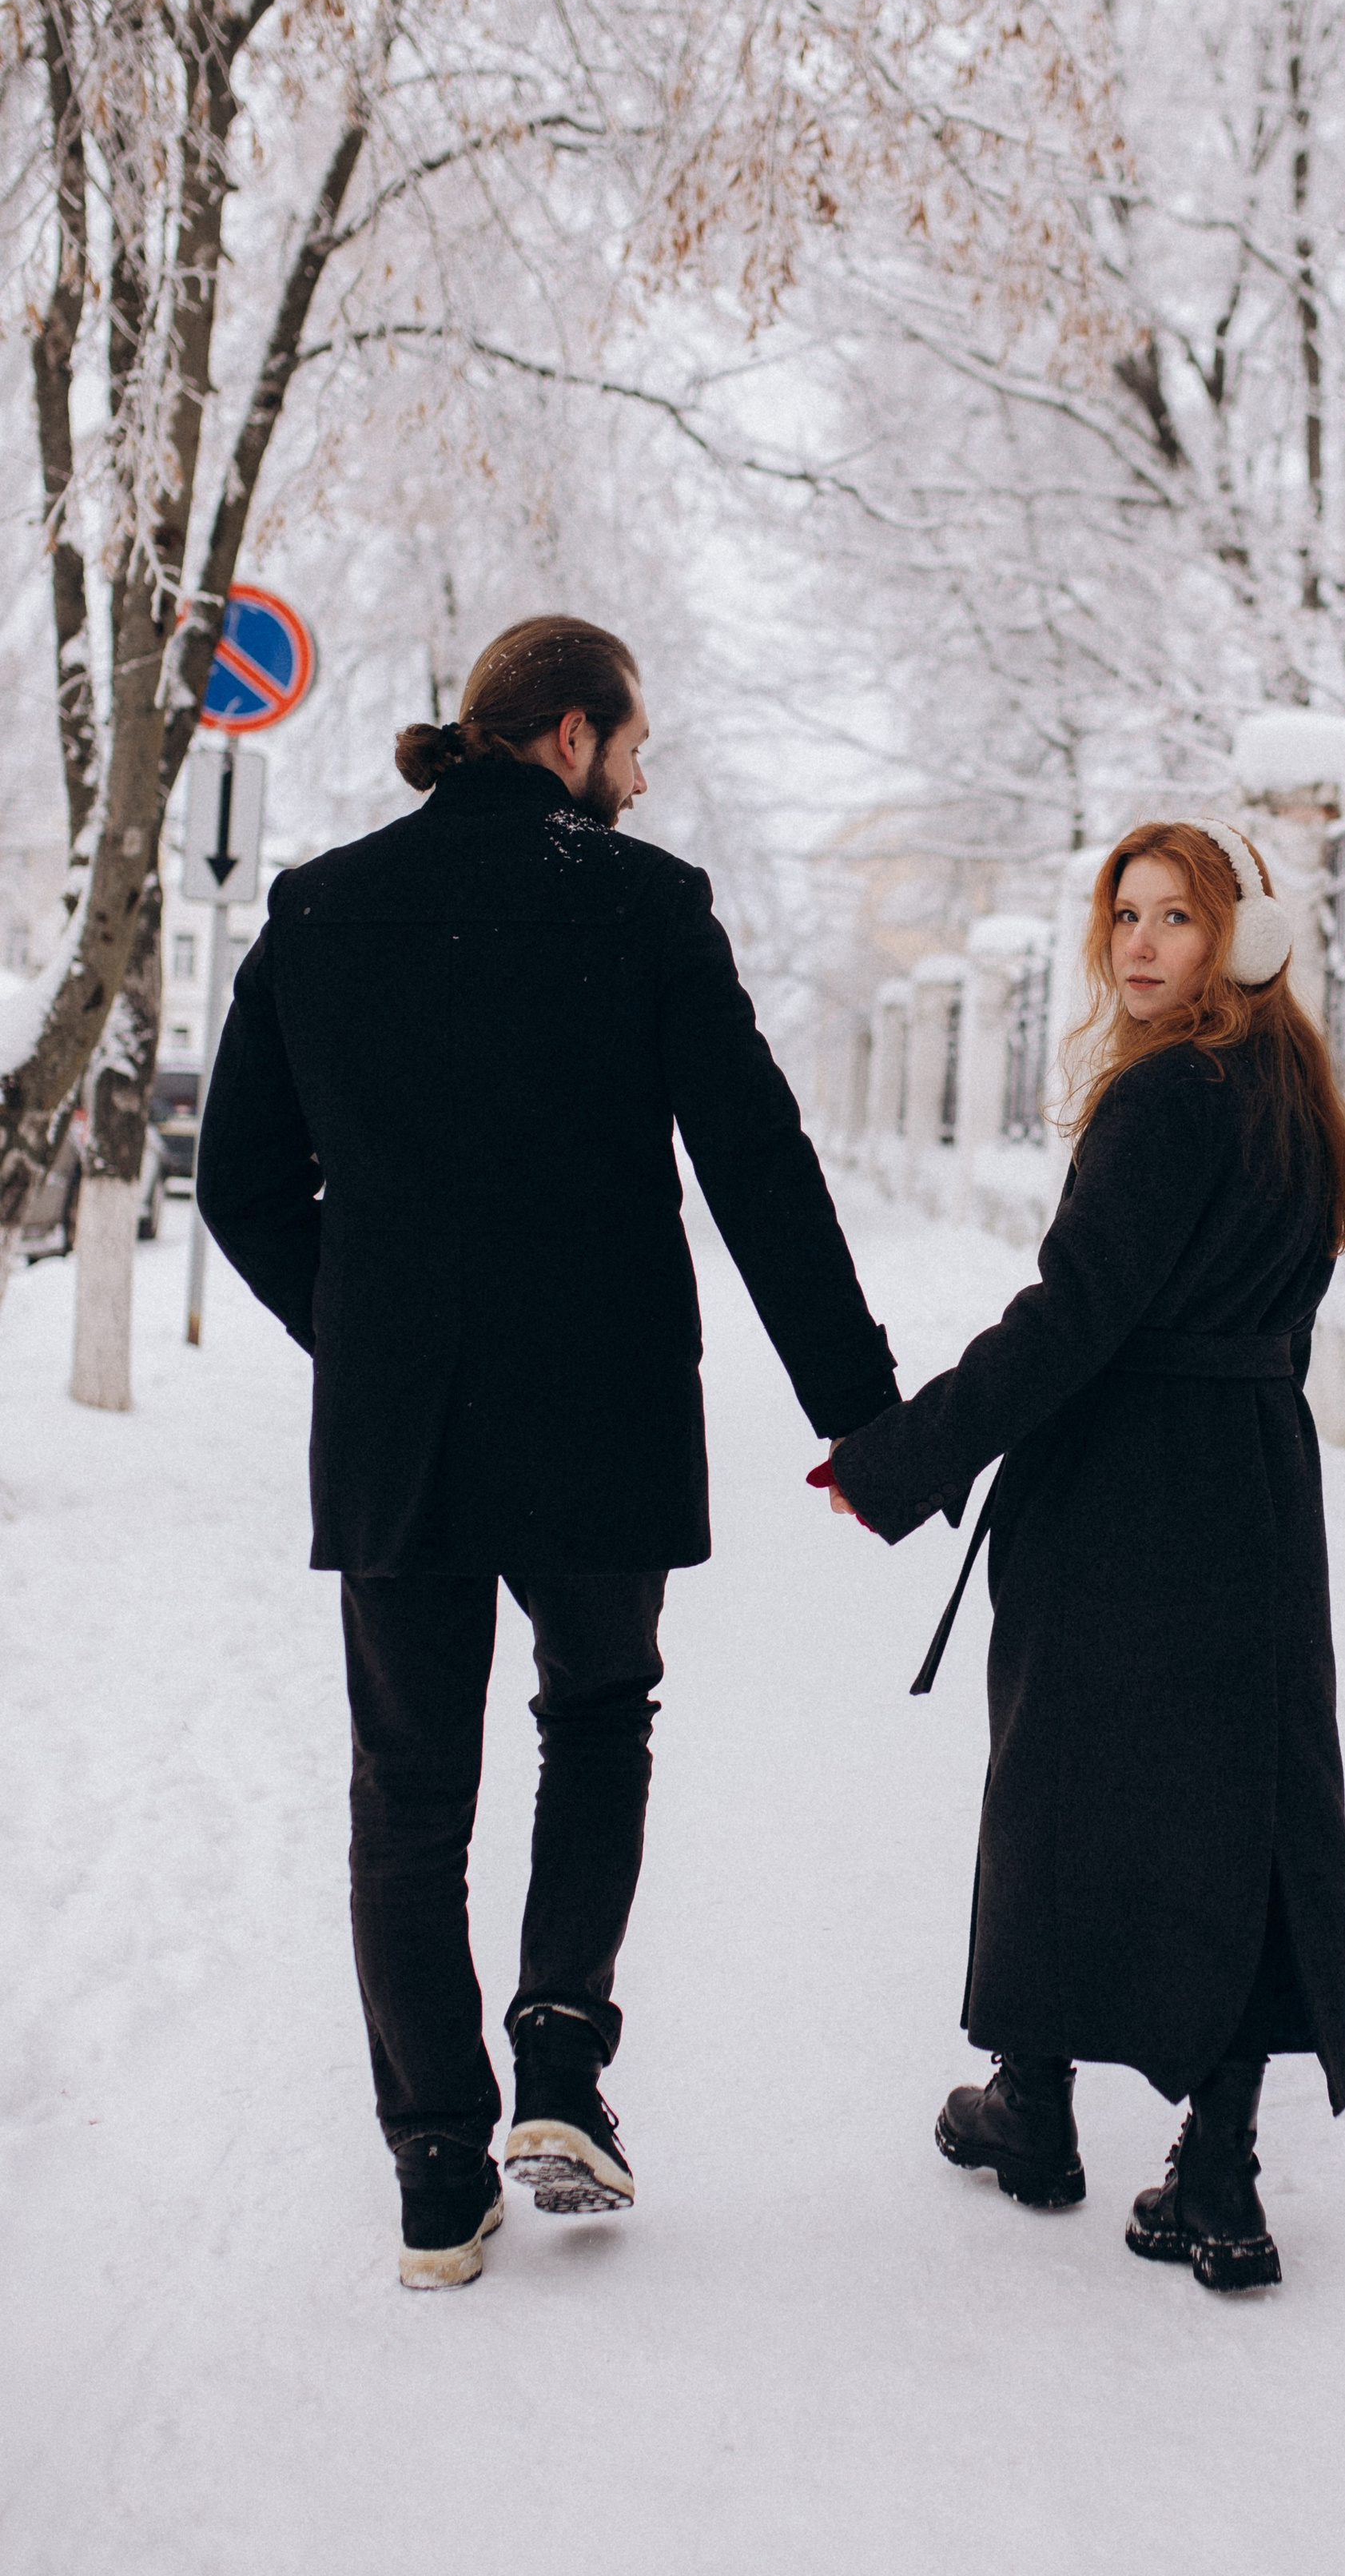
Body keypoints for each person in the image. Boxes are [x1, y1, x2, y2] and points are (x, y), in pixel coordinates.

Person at [197, 615, 898, 2290]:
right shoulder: (643, 906)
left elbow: (235, 1186)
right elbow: (758, 1167)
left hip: (405, 1426)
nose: (644, 777)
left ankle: (439, 2169)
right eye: (635, 742)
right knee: (596, 1718)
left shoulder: (317, 909)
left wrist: (362, 1333)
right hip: (601, 1403)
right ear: (573, 734)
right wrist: (861, 1411)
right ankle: (562, 2069)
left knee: (408, 1790)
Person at [816, 818, 1345, 2292]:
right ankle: (1220, 2176)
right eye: (1124, 915)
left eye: (1176, 919)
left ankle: (1036, 2105)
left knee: (1065, 1781)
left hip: (1122, 1484)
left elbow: (1073, 1321)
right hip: (1253, 1482)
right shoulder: (1291, 1097)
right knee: (1239, 1796)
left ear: (1239, 939)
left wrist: (898, 1460)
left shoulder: (1165, 1103)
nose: (1138, 944)